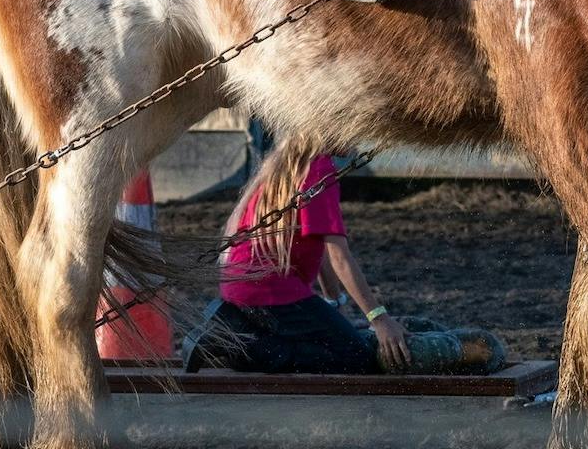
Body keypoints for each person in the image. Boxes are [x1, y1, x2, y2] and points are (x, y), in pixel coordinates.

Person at [184, 142, 503, 376]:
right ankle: (230, 348)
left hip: (248, 290)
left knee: (340, 340)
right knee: (355, 357)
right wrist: (378, 318)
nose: (360, 136)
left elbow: (315, 243)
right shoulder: (319, 169)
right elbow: (339, 255)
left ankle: (236, 334)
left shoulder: (290, 163)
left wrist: (334, 301)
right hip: (270, 293)